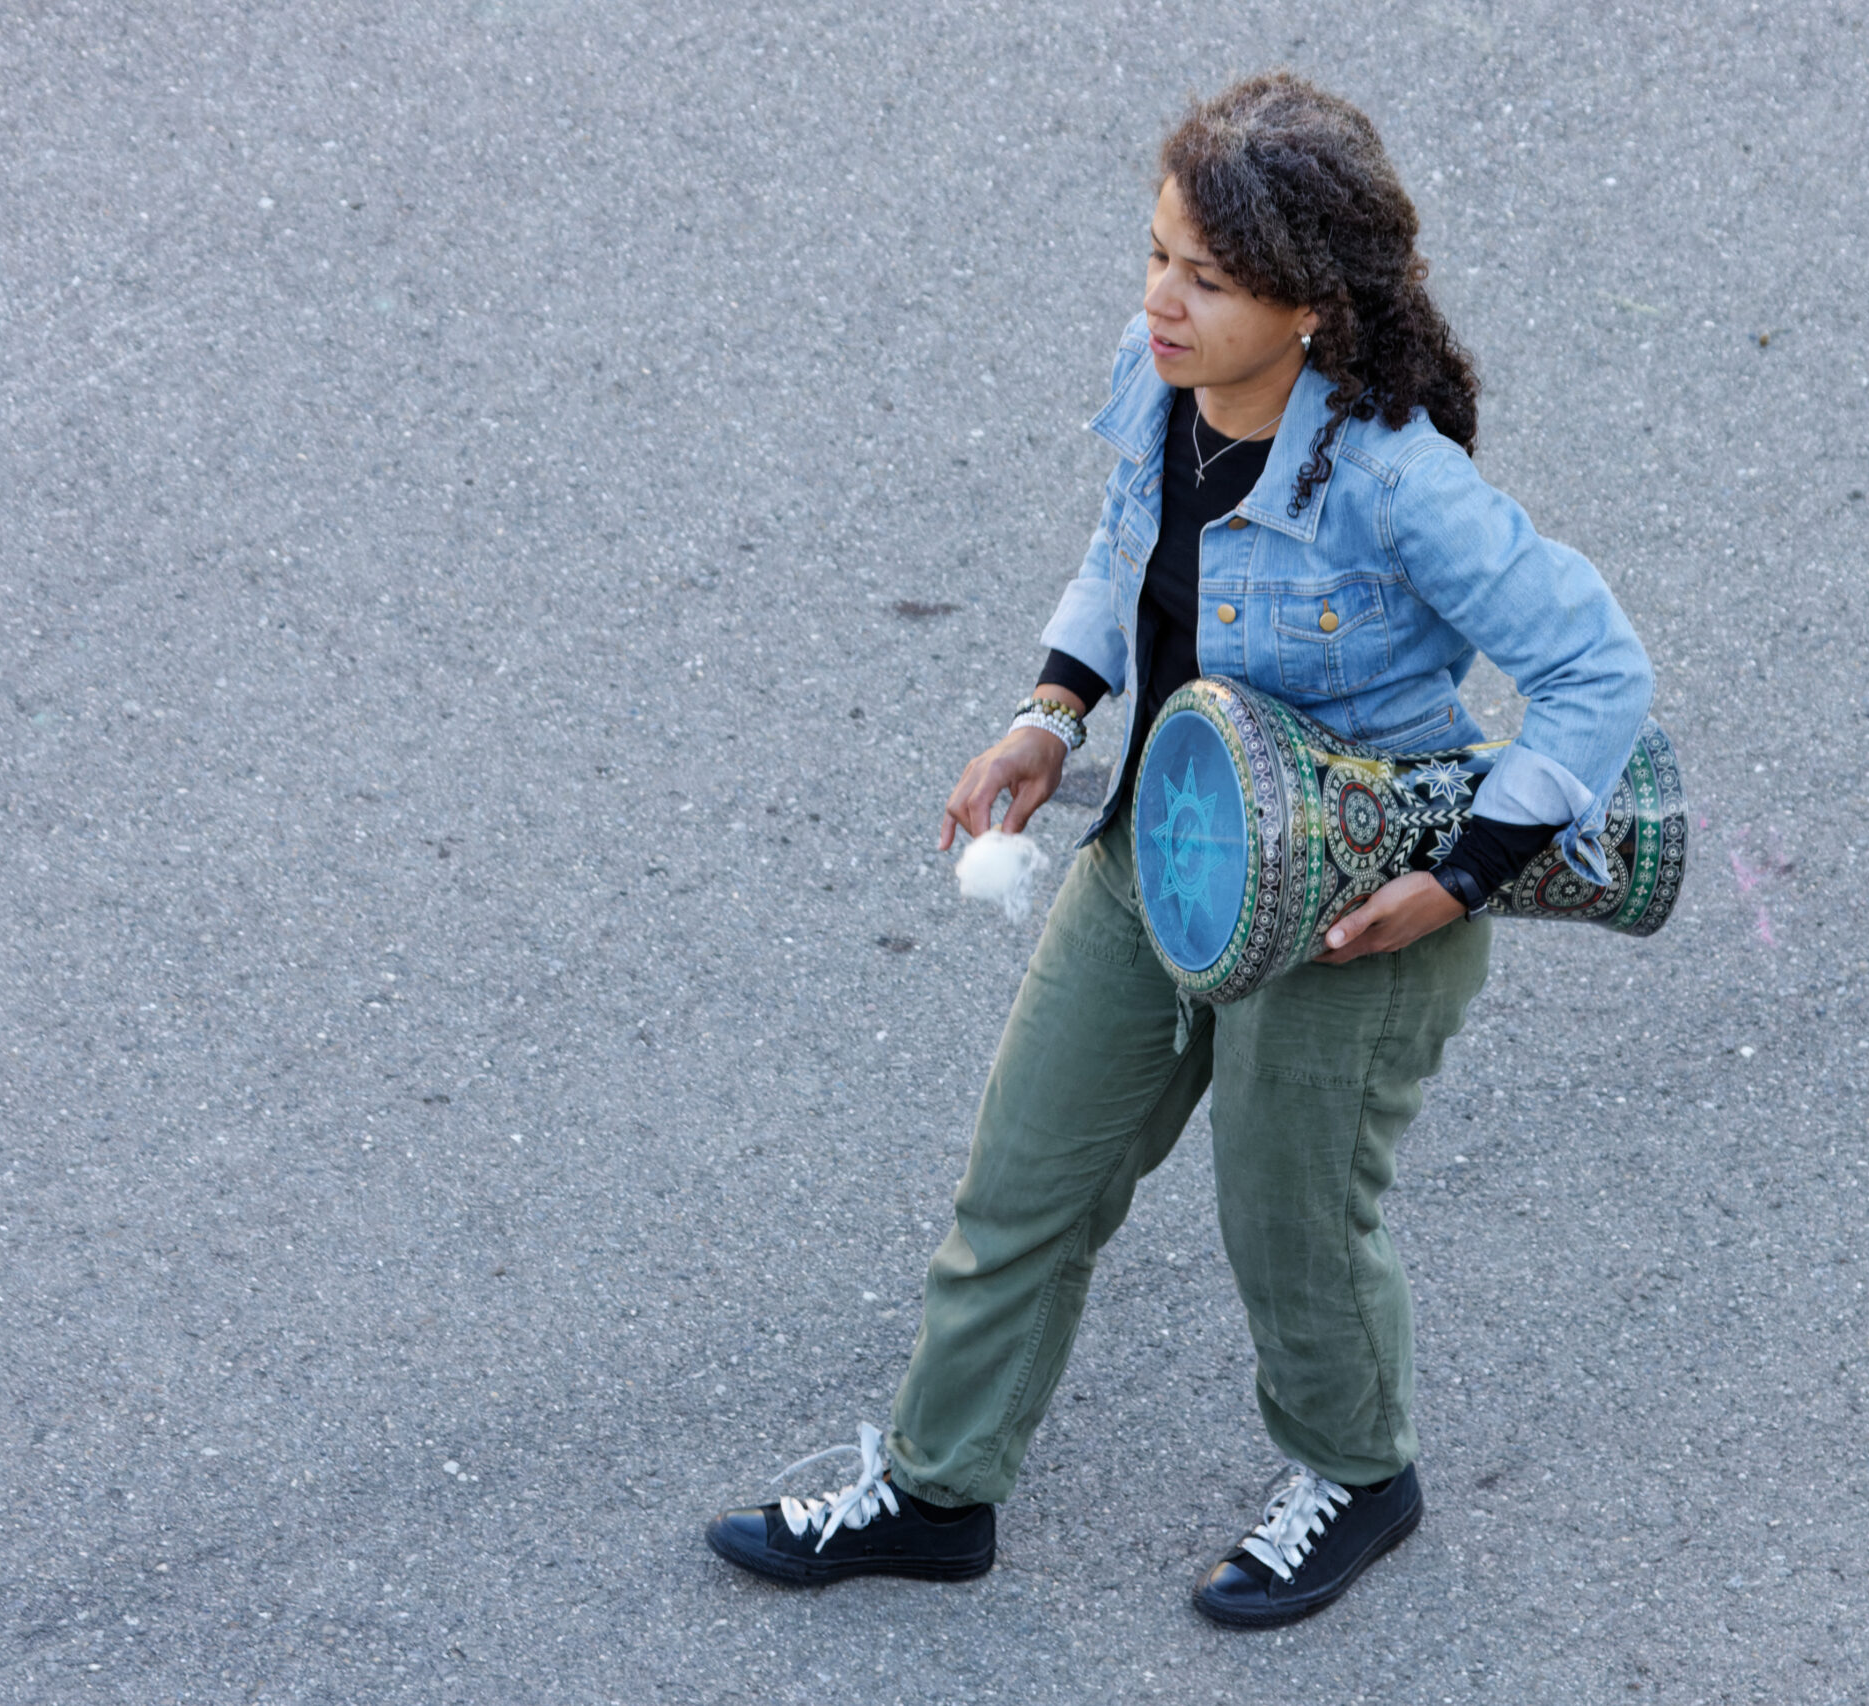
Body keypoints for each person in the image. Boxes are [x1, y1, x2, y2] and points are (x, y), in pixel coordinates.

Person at [706, 71, 1652, 1627]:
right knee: (1026, 1178)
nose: (1159, 299)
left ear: (1310, 307)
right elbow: (1123, 545)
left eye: (1205, 278)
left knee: (1290, 1226)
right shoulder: (1166, 384)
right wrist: (1051, 711)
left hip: (1357, 902)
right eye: (1156, 253)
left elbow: (1599, 670)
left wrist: (1460, 877)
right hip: (1169, 842)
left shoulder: (1399, 482)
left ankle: (1358, 1470)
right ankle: (937, 1493)